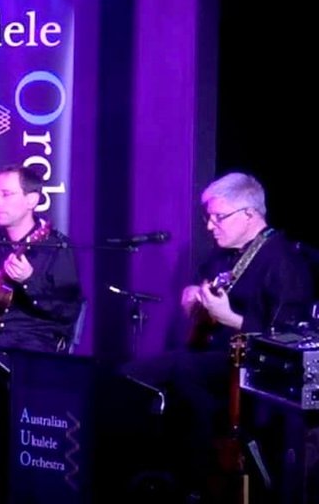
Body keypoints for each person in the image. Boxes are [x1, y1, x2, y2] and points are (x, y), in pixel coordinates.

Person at [124, 172, 313, 499]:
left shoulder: (283, 261)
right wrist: (191, 296)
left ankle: (202, 476)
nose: (211, 226)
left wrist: (231, 318)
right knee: (131, 375)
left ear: (250, 215)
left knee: (182, 371)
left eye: (218, 217)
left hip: (254, 372)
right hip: (212, 357)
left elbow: (287, 339)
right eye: (207, 218)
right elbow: (198, 287)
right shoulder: (223, 254)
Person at [0, 164, 84, 352]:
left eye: (6, 194)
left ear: (32, 200)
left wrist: (29, 281)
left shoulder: (57, 247)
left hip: (35, 348)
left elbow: (68, 311)